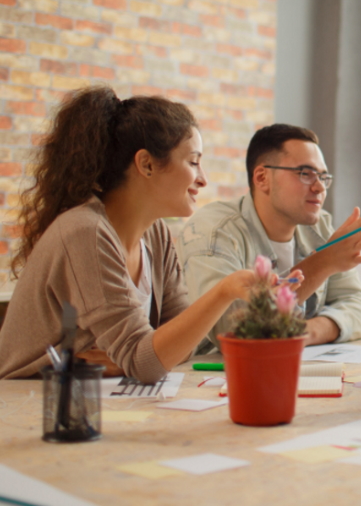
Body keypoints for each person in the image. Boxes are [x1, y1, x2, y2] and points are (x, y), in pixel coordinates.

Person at [0, 88, 265, 383]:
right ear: (147, 164)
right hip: (29, 404)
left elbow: (178, 347)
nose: (202, 178)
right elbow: (147, 363)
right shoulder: (84, 232)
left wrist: (134, 359)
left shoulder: (155, 234)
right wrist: (225, 290)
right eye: (193, 161)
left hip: (92, 396)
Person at [178, 124, 361, 350]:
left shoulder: (320, 227)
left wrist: (305, 333)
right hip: (213, 377)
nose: (319, 187)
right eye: (305, 174)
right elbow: (231, 331)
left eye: (323, 176)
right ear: (261, 178)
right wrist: (323, 262)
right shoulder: (214, 229)